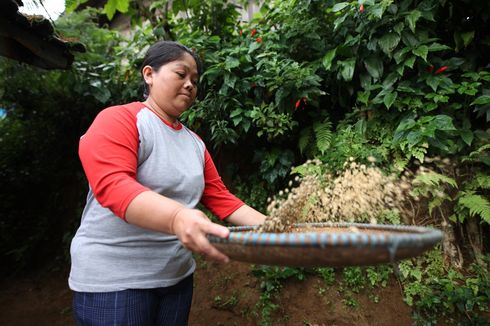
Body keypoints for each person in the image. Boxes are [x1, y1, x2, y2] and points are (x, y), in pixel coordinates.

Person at [69, 40, 266, 325]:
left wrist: (278, 229)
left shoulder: (194, 143)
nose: (189, 85)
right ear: (149, 74)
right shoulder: (120, 120)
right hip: (115, 284)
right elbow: (114, 186)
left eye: (195, 80)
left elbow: (222, 198)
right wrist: (177, 217)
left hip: (176, 279)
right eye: (181, 74)